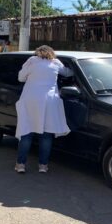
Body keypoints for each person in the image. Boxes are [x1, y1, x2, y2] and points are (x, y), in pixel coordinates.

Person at [15, 45, 73, 173]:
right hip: (49, 102)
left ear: (37, 53)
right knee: (46, 135)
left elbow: (20, 77)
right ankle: (43, 166)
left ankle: (20, 165)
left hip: (30, 101)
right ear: (52, 53)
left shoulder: (31, 61)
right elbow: (68, 73)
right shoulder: (56, 62)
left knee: (27, 133)